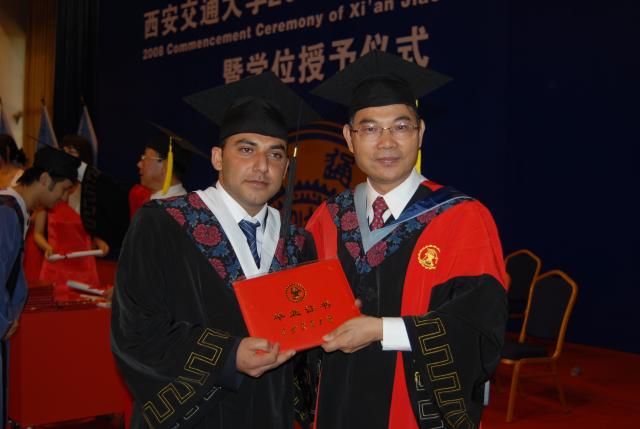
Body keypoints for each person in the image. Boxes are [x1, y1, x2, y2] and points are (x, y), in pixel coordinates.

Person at [305, 50, 509, 429]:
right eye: (370, 129)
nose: (386, 142)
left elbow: (480, 327)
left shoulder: (462, 218)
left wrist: (382, 330)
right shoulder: (327, 218)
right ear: (349, 138)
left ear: (420, 133)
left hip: (413, 414)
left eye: (400, 127)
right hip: (336, 405)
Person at [111, 72, 320, 428]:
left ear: (286, 168)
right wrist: (228, 356)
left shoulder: (298, 243)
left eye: (275, 154)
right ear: (218, 158)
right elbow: (135, 333)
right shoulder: (163, 223)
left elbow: (304, 359)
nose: (262, 166)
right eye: (246, 149)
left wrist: (329, 321)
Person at [0, 146, 79, 426]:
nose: (63, 198)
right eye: (64, 189)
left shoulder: (16, 211)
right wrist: (3, 321)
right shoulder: (6, 213)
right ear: (45, 179)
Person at [33, 135, 108, 286]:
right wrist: (47, 247)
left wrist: (100, 243)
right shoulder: (50, 188)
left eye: (71, 152)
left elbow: (92, 233)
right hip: (55, 266)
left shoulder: (92, 191)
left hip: (85, 269)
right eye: (63, 151)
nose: (65, 156)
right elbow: (37, 233)